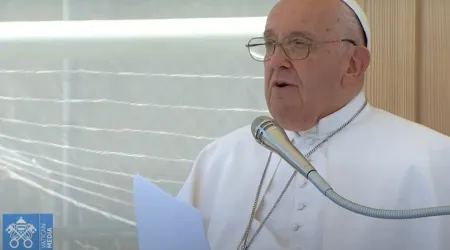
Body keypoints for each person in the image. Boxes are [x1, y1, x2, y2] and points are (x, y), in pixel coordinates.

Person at [176, 0, 450, 249]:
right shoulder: (219, 159)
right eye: (270, 44)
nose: (276, 62)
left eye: (298, 44)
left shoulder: (433, 162)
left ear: (353, 64)